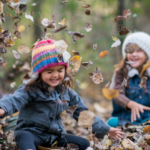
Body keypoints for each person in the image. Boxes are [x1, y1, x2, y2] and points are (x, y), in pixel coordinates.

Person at [0, 39, 124, 150]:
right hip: (32, 134)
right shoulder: (30, 88)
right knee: (23, 136)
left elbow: (83, 114)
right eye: (49, 71)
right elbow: (15, 99)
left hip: (54, 137)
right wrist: (3, 108)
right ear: (39, 73)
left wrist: (106, 130)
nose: (55, 75)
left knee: (84, 143)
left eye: (60, 70)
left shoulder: (67, 93)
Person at [108, 32, 150, 127]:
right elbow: (117, 94)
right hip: (127, 120)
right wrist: (130, 104)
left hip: (148, 119)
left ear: (147, 54)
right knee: (112, 122)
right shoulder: (121, 73)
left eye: (139, 51)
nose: (133, 54)